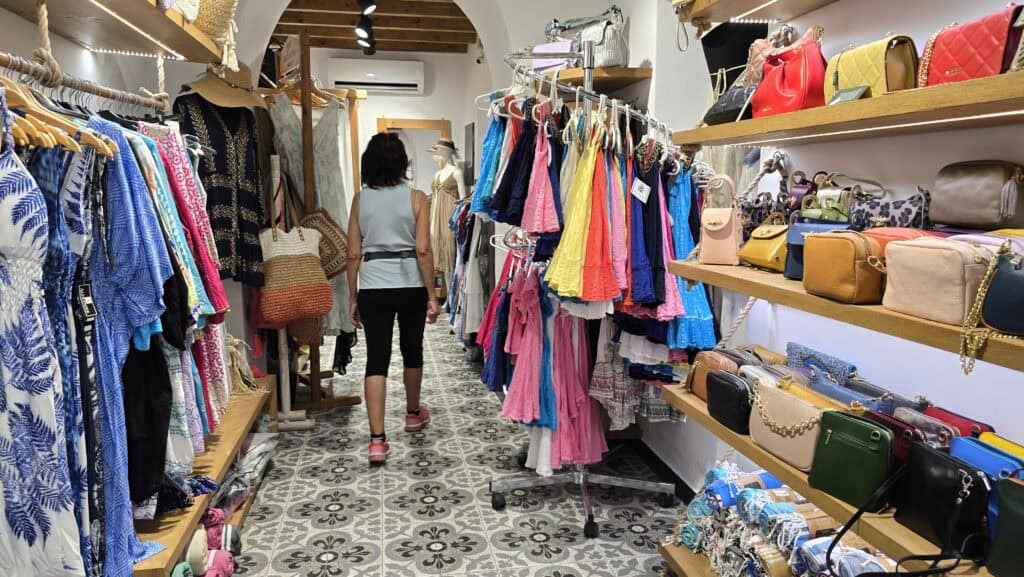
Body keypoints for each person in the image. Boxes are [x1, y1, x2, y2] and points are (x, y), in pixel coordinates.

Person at [347, 132, 441, 465]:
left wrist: (353, 297)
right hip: (410, 284)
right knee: (411, 349)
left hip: (373, 285)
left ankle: (377, 441)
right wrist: (432, 294)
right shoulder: (417, 198)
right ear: (403, 163)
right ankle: (413, 414)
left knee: (377, 358)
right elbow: (423, 250)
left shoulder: (361, 200)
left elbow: (353, 254)